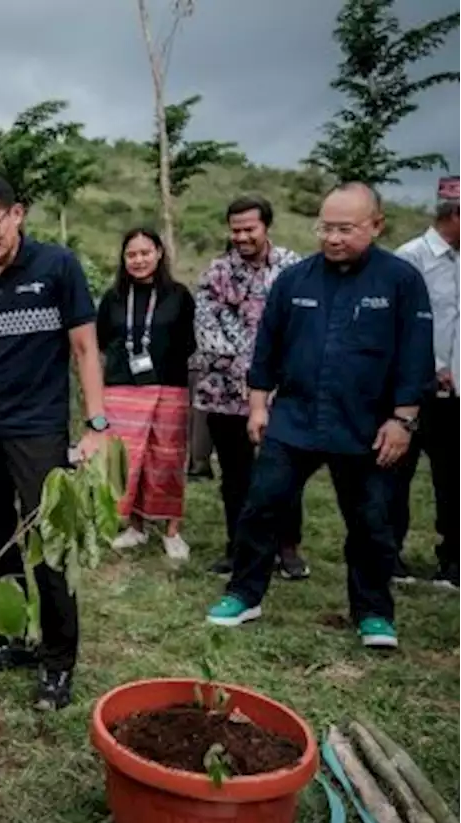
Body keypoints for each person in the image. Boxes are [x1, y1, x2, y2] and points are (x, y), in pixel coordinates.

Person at [205, 183, 435, 650]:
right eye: (325, 228)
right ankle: (244, 593)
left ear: (376, 225)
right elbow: (266, 347)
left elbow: (416, 356)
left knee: (371, 521)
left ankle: (373, 612)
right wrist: (256, 405)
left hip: (367, 426)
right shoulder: (295, 280)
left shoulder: (401, 281)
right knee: (261, 505)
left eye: (345, 229)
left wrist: (403, 420)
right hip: (295, 418)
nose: (333, 238)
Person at [0, 175, 108, 711]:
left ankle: (58, 662)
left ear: (17, 215)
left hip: (37, 431)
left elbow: (84, 348)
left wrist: (97, 425)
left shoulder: (58, 268)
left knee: (48, 546)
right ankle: (14, 634)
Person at [190, 196, 309, 578]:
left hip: (283, 394)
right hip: (225, 394)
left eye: (249, 229)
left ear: (266, 227)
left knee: (285, 473)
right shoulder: (216, 273)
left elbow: (303, 329)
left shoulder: (295, 269)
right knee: (236, 476)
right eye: (235, 229)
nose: (241, 237)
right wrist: (249, 375)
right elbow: (208, 330)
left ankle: (287, 548)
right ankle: (238, 546)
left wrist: (270, 379)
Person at [97, 228, 195, 561]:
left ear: (159, 253)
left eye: (145, 252)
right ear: (123, 259)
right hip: (122, 389)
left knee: (166, 460)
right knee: (128, 460)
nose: (138, 260)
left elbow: (189, 343)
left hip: (169, 387)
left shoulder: (179, 296)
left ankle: (171, 530)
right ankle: (135, 527)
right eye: (131, 254)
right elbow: (101, 342)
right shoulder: (112, 298)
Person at [391, 175, 461, 590]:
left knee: (454, 477)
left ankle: (453, 560)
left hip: (457, 395)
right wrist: (434, 365)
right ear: (454, 215)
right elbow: (403, 324)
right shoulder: (410, 259)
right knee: (398, 472)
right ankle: (390, 554)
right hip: (415, 389)